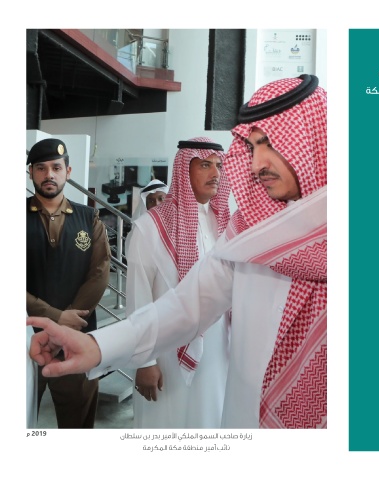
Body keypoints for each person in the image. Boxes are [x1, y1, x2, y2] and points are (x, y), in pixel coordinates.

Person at [28, 74, 327, 429]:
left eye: (270, 145)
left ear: (312, 140)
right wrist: (98, 346)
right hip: (239, 414)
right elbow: (187, 304)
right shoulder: (247, 232)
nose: (257, 163)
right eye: (252, 147)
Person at [126, 137, 231, 428]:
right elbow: (138, 299)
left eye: (219, 166)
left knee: (210, 422)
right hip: (165, 355)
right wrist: (144, 362)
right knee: (166, 426)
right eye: (205, 165)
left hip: (218, 351)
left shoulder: (226, 225)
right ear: (185, 170)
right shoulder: (149, 227)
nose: (215, 173)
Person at [26, 138, 111, 428]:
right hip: (24, 339)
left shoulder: (89, 218)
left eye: (56, 167)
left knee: (77, 426)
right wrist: (57, 318)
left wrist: (68, 323)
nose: (49, 174)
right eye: (41, 168)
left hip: (77, 340)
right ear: (30, 172)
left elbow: (100, 272)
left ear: (68, 171)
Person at [125, 179, 169, 255]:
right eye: (151, 201)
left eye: (161, 199)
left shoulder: (176, 225)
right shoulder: (140, 228)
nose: (156, 204)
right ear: (146, 205)